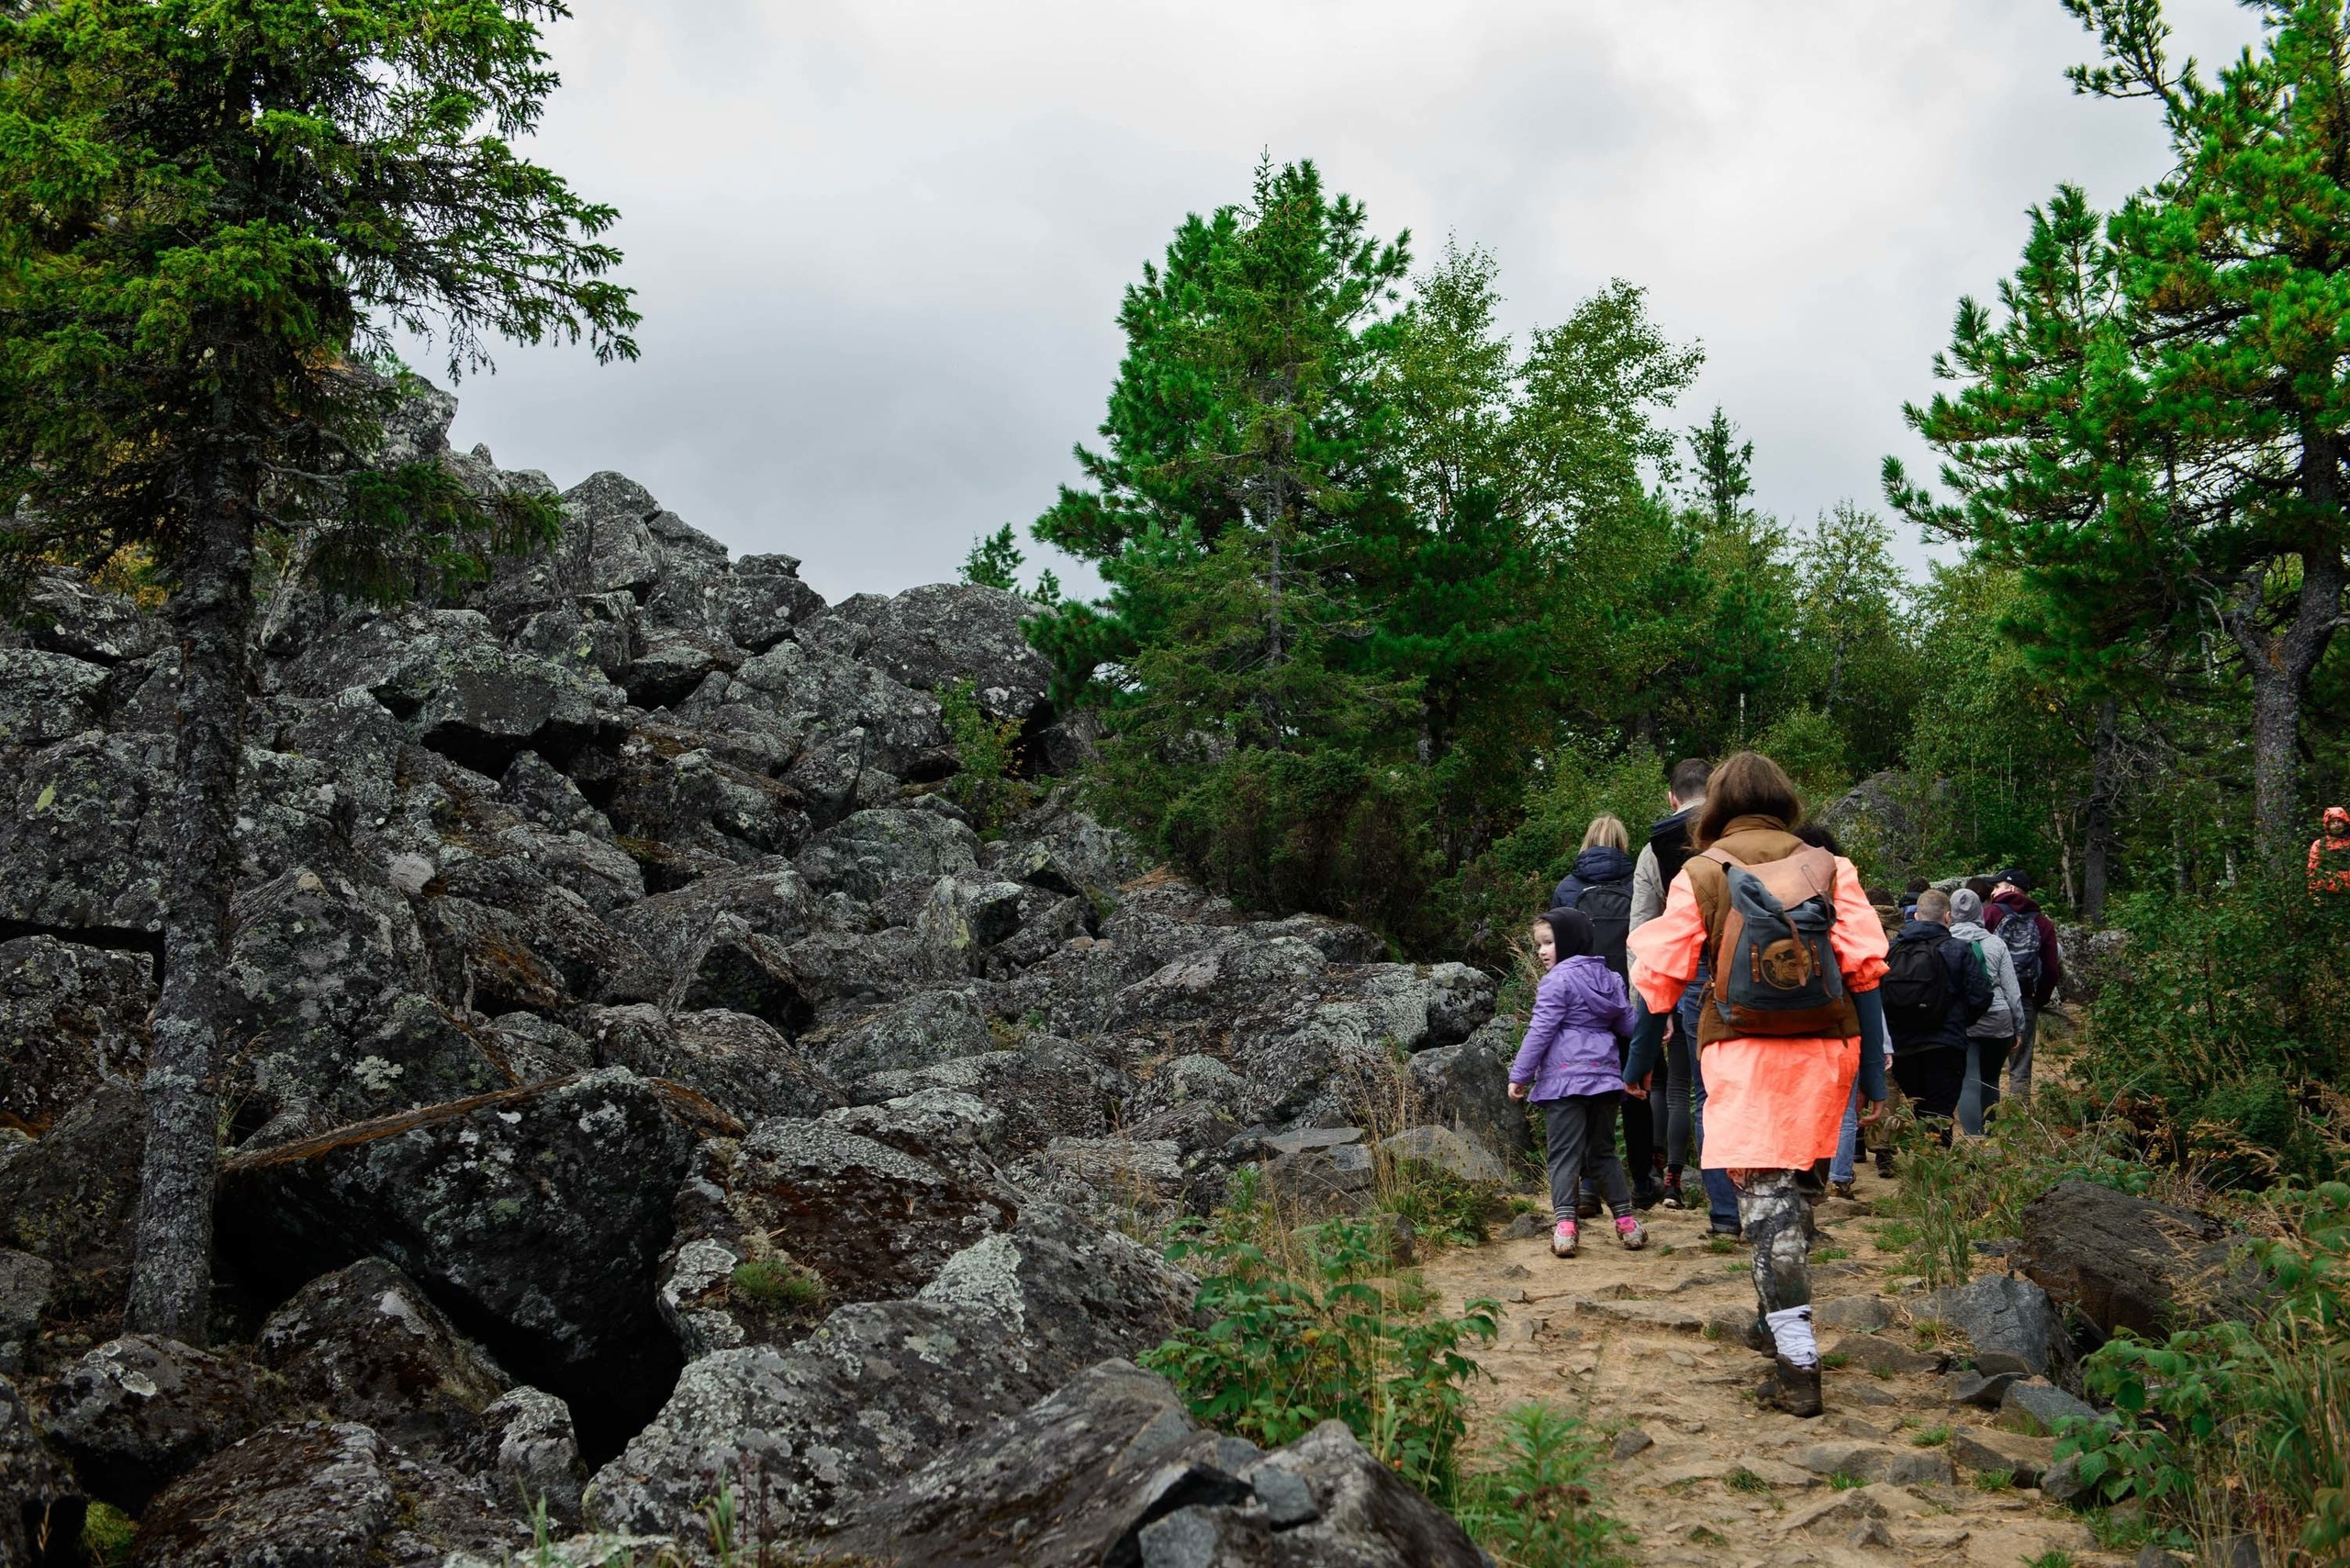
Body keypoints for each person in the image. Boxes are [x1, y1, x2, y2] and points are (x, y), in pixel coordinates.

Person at [1620, 752, 1891, 1417]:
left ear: (1714, 808)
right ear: (1785, 800)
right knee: (1792, 1193)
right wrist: (1875, 1076)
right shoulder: (1831, 866)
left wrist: (1637, 1067)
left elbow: (1659, 982)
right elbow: (1864, 972)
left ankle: (1797, 1357)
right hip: (1828, 1049)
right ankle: (1779, 1324)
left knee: (1764, 1199)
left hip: (1742, 1052)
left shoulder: (1704, 871)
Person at [1628, 758, 1739, 1232]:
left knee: (1701, 1093)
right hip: (1750, 971)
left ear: (1671, 798)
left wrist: (1656, 1004)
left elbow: (1644, 931)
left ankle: (1724, 1211)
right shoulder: (1741, 835)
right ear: (1715, 793)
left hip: (1689, 980)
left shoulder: (1655, 850)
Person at [1509, 907, 1647, 1258]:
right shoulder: (1610, 978)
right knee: (1603, 1153)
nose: (1541, 951)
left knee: (1564, 1155)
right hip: (1604, 1080)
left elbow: (1541, 1031)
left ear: (1569, 942)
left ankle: (1566, 1228)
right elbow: (1628, 1024)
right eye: (1539, 944)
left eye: (1548, 942)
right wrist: (1655, 1029)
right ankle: (1627, 1224)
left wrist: (1520, 1075)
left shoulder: (1557, 981)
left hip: (1564, 1083)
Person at [1554, 815, 1654, 1207]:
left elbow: (1557, 955)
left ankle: (1587, 1187)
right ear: (1623, 843)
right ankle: (1643, 1182)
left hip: (1581, 1009)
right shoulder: (1638, 884)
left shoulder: (1567, 888)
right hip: (1630, 1001)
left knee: (1582, 1094)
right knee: (1636, 1089)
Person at [1883, 889, 1993, 1132]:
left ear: (1917, 916)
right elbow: (1982, 996)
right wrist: (1959, 1020)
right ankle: (1935, 1162)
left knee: (1919, 1107)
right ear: (1948, 917)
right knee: (1941, 1111)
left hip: (1903, 1043)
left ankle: (1919, 1161)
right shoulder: (1959, 949)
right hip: (1946, 1042)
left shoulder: (1892, 949)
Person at [1948, 887, 2024, 1133]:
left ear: (1951, 913)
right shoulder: (1996, 943)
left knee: (1969, 1082)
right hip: (1999, 1018)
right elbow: (2013, 992)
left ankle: (1973, 1139)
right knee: (1991, 1080)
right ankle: (1993, 1139)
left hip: (1964, 1020)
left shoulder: (1946, 942)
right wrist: (2018, 1027)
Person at [1983, 869, 2063, 1103]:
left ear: (2011, 888)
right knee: (2020, 1066)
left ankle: (1984, 1127)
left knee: (1989, 1068)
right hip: (2025, 997)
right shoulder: (2042, 922)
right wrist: (2039, 1000)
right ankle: (2020, 1128)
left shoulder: (1990, 914)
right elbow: (2051, 969)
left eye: (1996, 887)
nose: (1992, 892)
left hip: (1992, 1000)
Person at [2311, 807, 2350, 894]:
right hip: (2328, 893)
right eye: (2333, 822)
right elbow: (2313, 869)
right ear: (2327, 825)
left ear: (2345, 823)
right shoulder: (2320, 844)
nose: (2337, 825)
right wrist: (2314, 893)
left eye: (2339, 821)